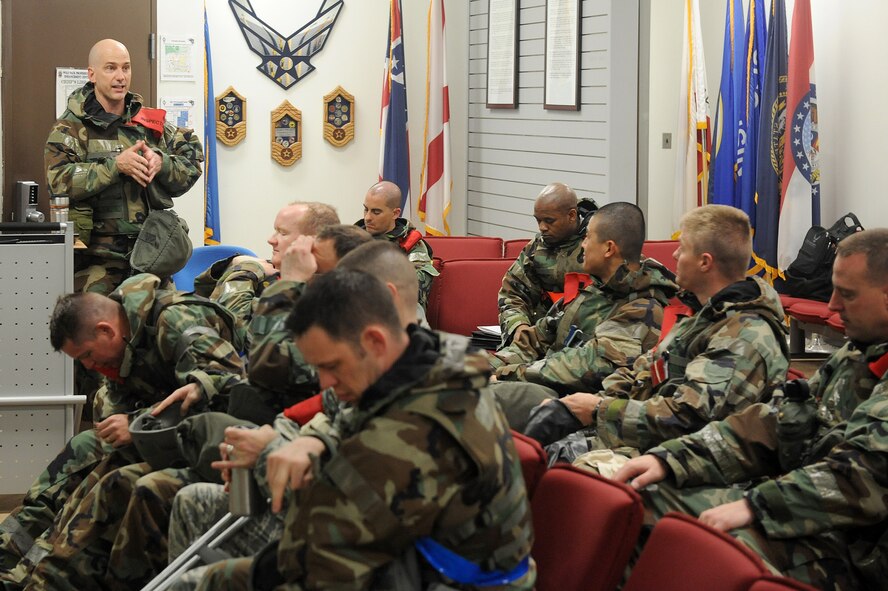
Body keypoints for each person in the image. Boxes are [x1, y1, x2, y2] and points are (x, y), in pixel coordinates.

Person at [15, 228, 372, 591]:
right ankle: (21, 567)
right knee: (86, 451)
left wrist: (286, 285)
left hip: (235, 445)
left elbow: (255, 376)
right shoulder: (132, 329)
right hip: (239, 436)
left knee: (124, 483)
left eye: (290, 238)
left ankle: (55, 579)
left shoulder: (180, 322)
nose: (276, 242)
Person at [182, 263, 535, 590]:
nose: (325, 384)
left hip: (436, 578)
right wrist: (315, 441)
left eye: (332, 366)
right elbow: (352, 420)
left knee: (206, 581)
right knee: (217, 576)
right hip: (409, 560)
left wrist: (266, 455)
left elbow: (325, 533)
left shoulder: (415, 429)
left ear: (375, 342)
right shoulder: (435, 360)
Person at [612, 228, 888, 590]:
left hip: (860, 557)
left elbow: (864, 476)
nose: (832, 305)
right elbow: (773, 421)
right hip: (813, 517)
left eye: (847, 294)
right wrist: (673, 459)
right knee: (643, 499)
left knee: (711, 549)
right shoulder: (858, 353)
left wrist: (758, 506)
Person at [165, 241, 430, 590]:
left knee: (198, 582)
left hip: (373, 562)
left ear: (385, 299)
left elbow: (353, 505)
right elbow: (323, 423)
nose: (327, 381)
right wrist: (281, 443)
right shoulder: (378, 367)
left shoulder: (421, 390)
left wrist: (265, 454)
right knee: (193, 504)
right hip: (332, 534)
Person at [0, 274, 245, 586]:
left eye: (87, 355)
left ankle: (48, 579)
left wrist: (135, 424)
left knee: (109, 479)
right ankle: (11, 561)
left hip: (218, 441)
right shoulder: (125, 341)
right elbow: (119, 404)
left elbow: (228, 393)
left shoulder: (178, 321)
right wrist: (124, 423)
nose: (89, 366)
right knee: (82, 449)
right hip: (170, 435)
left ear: (106, 330)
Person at [521, 205, 789, 467]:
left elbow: (687, 417)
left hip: (689, 462)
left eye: (682, 248)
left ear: (705, 262)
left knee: (556, 463)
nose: (674, 254)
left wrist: (597, 409)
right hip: (651, 438)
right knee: (536, 441)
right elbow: (645, 370)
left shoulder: (742, 336)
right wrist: (579, 405)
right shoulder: (705, 315)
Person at [489, 202, 678, 428]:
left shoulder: (643, 308)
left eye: (588, 238)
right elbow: (536, 340)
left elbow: (587, 367)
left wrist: (506, 374)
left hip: (585, 412)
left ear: (608, 249)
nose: (583, 245)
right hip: (544, 386)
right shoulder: (591, 291)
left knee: (485, 399)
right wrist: (486, 366)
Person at [45, 39, 203, 295]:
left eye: (126, 68)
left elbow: (192, 158)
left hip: (152, 255)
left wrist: (162, 162)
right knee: (95, 321)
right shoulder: (70, 128)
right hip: (96, 262)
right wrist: (115, 166)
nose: (121, 77)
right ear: (92, 74)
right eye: (111, 68)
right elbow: (58, 181)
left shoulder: (149, 122)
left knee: (167, 317)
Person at [498, 182, 597, 348]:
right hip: (541, 340)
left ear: (572, 215)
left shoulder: (600, 244)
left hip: (588, 342)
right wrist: (518, 327)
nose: (542, 227)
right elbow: (513, 294)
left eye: (549, 221)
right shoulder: (537, 248)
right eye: (538, 220)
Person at [355, 180, 438, 311]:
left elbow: (413, 291)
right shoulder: (352, 238)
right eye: (366, 209)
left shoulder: (410, 244)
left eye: (376, 212)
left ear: (395, 213)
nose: (367, 218)